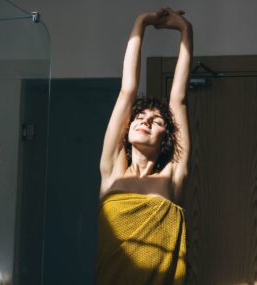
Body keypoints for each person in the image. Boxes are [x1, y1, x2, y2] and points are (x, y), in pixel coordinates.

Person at [96, 7, 193, 285]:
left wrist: (186, 30)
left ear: (167, 137)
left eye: (157, 120)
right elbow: (127, 89)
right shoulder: (112, 172)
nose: (145, 121)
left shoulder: (173, 177)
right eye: (140, 116)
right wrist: (141, 23)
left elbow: (179, 99)